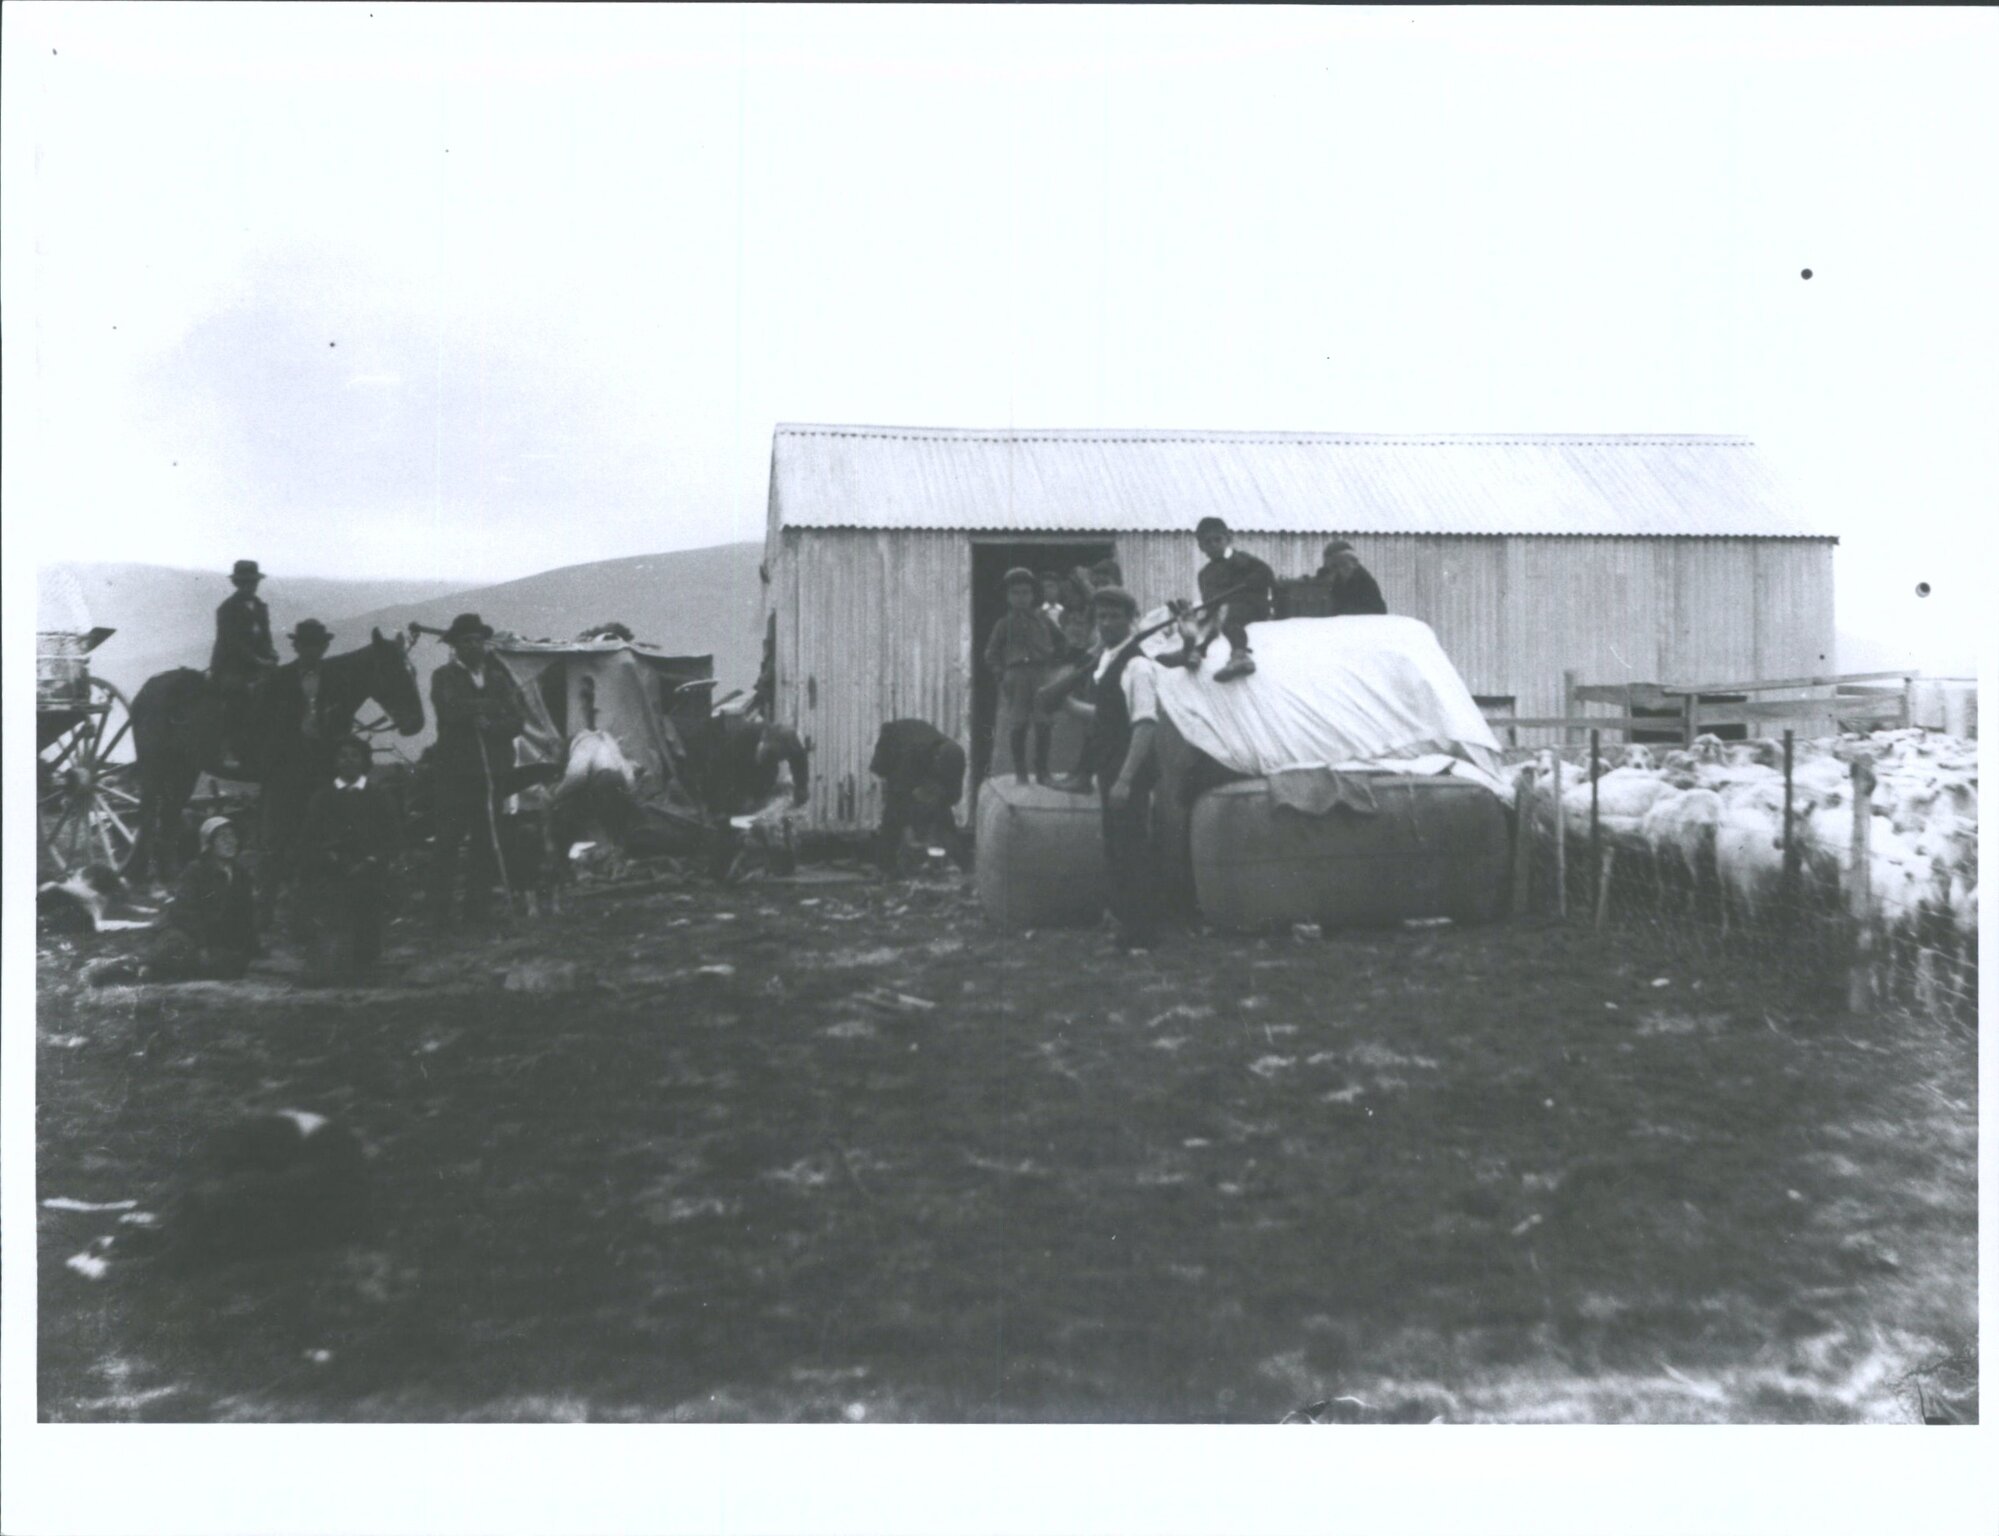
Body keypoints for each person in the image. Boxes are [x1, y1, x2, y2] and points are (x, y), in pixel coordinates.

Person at [1052, 585, 1165, 950]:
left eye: (1115, 616)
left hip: (1127, 766)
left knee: (1132, 849)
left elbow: (1145, 724)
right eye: (1101, 616)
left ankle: (1141, 934)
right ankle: (1123, 923)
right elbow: (1107, 715)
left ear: (1131, 620)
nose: (1107, 622)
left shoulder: (1138, 665)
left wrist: (1126, 779)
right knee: (1116, 847)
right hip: (1109, 763)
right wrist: (1069, 706)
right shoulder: (1106, 659)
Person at [427, 613, 526, 926]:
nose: (473, 646)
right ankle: (439, 913)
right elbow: (451, 708)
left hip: (491, 773)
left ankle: (476, 911)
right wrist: (490, 708)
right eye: (466, 641)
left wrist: (492, 725)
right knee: (448, 842)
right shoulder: (443, 676)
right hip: (455, 774)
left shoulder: (499, 678)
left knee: (485, 841)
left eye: (478, 640)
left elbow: (516, 720)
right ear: (455, 646)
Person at [87, 817, 258, 984]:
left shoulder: (240, 874)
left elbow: (245, 913)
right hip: (184, 931)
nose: (230, 842)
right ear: (210, 844)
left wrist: (250, 945)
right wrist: (202, 946)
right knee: (175, 952)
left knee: (233, 966)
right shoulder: (196, 870)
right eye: (223, 837)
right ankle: (124, 969)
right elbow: (186, 913)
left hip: (214, 937)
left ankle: (162, 970)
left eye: (233, 836)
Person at [295, 736, 403, 981]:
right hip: (332, 873)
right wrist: (328, 857)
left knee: (366, 949)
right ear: (334, 762)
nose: (349, 761)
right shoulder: (322, 797)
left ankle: (366, 955)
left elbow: (393, 839)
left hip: (371, 872)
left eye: (355, 756)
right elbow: (308, 839)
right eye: (343, 756)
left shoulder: (379, 796)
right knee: (333, 940)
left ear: (365, 761)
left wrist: (373, 860)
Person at [259, 618, 340, 904]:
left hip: (319, 769)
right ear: (296, 646)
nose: (312, 651)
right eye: (306, 645)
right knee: (277, 838)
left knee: (315, 834)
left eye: (317, 646)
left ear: (325, 647)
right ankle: (267, 904)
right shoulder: (279, 679)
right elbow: (265, 723)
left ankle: (307, 901)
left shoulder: (333, 679)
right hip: (285, 769)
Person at [983, 566, 1058, 786]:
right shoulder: (1004, 624)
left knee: (1044, 724)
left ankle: (1042, 771)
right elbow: (991, 653)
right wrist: (1001, 674)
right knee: (1018, 725)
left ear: (1033, 595)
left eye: (1025, 593)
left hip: (1041, 675)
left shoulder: (1044, 621)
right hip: (1016, 676)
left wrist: (1052, 662)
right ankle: (1021, 773)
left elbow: (1062, 642)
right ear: (1007, 597)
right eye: (1015, 593)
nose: (1021, 598)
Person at [1177, 517, 1276, 683]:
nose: (1214, 544)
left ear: (1228, 539)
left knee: (1229, 619)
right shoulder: (1205, 573)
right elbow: (1208, 597)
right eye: (1208, 542)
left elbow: (1267, 575)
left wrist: (1251, 579)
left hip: (1249, 605)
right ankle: (1194, 652)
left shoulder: (1241, 560)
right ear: (1201, 547)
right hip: (1222, 607)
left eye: (1218, 539)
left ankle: (1240, 656)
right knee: (1199, 621)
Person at [869, 719, 972, 875]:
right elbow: (899, 796)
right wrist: (908, 829)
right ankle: (886, 865)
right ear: (936, 760)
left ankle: (962, 861)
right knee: (894, 809)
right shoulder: (910, 756)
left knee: (941, 809)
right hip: (894, 742)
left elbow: (952, 798)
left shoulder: (956, 757)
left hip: (922, 749)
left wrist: (937, 816)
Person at [210, 559, 279, 770]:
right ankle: (230, 747)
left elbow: (266, 637)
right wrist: (258, 660)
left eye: (253, 582)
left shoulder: (260, 607)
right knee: (236, 693)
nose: (251, 586)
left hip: (258, 664)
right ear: (238, 584)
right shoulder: (226, 609)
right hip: (231, 665)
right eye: (246, 582)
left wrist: (272, 655)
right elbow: (233, 643)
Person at [1313, 540, 1388, 617]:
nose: (1339, 570)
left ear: (1354, 563)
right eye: (1333, 566)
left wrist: (1341, 610)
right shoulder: (1326, 577)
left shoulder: (1364, 582)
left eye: (1343, 564)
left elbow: (1379, 612)